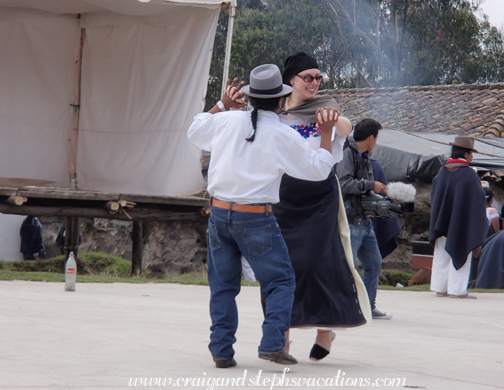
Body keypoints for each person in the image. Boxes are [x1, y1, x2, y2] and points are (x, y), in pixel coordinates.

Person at [187, 64, 337, 368]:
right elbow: (321, 169)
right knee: (281, 280)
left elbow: (195, 130)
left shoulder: (227, 120)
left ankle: (221, 350)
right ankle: (271, 343)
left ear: (250, 97)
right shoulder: (284, 134)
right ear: (281, 101)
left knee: (223, 285)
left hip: (219, 213)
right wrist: (326, 134)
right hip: (255, 217)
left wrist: (221, 105)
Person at [266, 51, 371, 362]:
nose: (314, 82)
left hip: (317, 194)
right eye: (307, 77)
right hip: (283, 195)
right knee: (282, 265)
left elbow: (347, 127)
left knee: (316, 262)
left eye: (318, 77)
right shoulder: (273, 110)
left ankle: (325, 329)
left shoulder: (324, 109)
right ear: (291, 81)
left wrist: (333, 121)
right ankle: (281, 334)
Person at [336, 118, 392, 319]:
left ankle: (367, 306)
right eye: (376, 138)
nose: (375, 142)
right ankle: (345, 308)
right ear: (371, 138)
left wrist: (374, 201)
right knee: (347, 268)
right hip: (350, 221)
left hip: (364, 220)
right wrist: (371, 186)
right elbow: (343, 184)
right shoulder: (346, 153)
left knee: (374, 264)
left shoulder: (364, 155)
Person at [429, 136, 487, 299]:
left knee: (441, 254)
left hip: (441, 223)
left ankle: (440, 287)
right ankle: (457, 290)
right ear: (466, 153)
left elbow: (435, 197)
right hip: (461, 224)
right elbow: (478, 200)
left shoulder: (442, 171)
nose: (472, 157)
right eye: (471, 153)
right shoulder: (469, 175)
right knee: (461, 249)